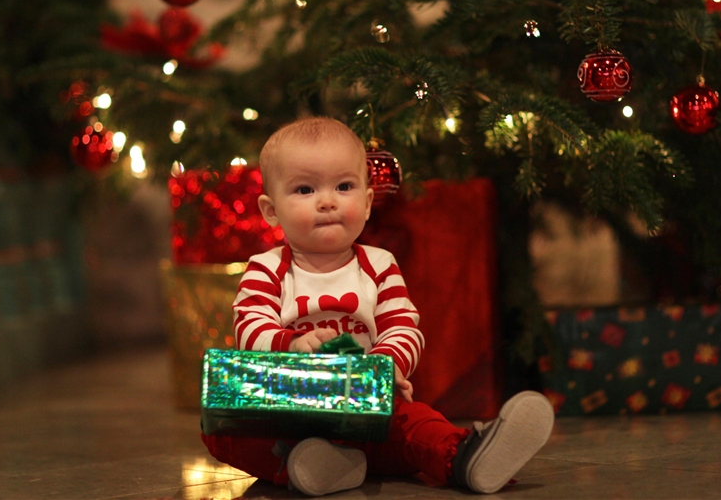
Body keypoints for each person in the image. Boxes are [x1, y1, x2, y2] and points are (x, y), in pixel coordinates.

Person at [202, 116, 554, 496]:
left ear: (368, 202)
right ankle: (304, 462)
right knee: (221, 431)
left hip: (366, 404)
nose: (327, 201)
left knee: (413, 421)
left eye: (344, 186)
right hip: (289, 404)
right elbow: (249, 326)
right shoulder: (266, 268)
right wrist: (290, 344)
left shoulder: (379, 264)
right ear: (271, 211)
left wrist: (387, 366)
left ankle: (465, 456)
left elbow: (403, 327)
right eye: (305, 189)